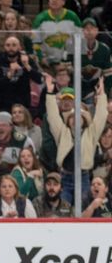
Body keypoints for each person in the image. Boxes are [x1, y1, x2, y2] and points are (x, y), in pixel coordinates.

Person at [44, 74, 106, 204]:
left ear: (85, 120)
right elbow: (53, 116)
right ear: (69, 120)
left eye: (80, 117)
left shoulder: (91, 133)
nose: (76, 119)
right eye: (73, 117)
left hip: (83, 176)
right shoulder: (62, 132)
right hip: (65, 177)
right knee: (64, 208)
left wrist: (101, 95)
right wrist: (50, 93)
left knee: (83, 207)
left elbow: (101, 116)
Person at [32, 0, 82, 70]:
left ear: (63, 2)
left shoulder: (73, 17)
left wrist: (72, 59)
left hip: (68, 63)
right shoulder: (40, 18)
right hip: (46, 63)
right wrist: (41, 58)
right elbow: (35, 42)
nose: (53, 1)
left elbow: (80, 40)